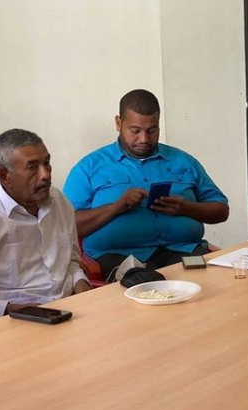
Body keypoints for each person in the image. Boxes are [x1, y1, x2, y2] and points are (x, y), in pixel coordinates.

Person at [63, 89, 229, 278]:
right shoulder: (90, 167)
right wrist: (116, 207)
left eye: (152, 131)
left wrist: (186, 208)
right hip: (119, 257)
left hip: (184, 251)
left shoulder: (184, 162)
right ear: (118, 123)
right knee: (147, 284)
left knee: (211, 282)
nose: (144, 139)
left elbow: (221, 211)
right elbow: (67, 226)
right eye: (135, 131)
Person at [0, 129, 91, 315]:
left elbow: (71, 259)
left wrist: (81, 282)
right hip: (15, 317)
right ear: (4, 175)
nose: (45, 175)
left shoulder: (59, 201)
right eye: (32, 167)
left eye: (47, 163)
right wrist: (8, 309)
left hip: (69, 307)